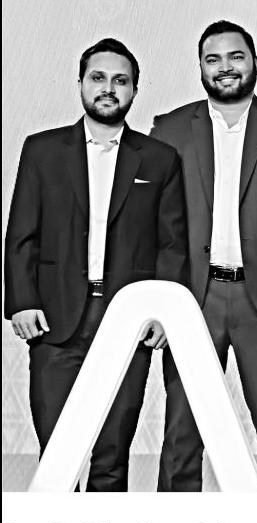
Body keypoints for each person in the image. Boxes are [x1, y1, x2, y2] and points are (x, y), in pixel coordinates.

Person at [4, 38, 187, 491]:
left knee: (111, 457)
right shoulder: (42, 150)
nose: (109, 88)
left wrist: (161, 312)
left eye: (120, 80)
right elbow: (22, 233)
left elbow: (172, 246)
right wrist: (21, 301)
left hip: (127, 323)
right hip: (55, 321)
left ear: (135, 90)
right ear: (81, 83)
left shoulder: (159, 160)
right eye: (98, 78)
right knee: (58, 457)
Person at [150, 20, 257, 491]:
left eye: (236, 56)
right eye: (213, 59)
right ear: (200, 67)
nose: (225, 67)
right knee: (183, 431)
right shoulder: (170, 129)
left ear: (255, 62)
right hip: (196, 297)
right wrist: (162, 301)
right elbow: (155, 225)